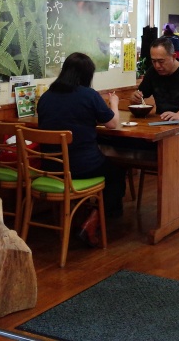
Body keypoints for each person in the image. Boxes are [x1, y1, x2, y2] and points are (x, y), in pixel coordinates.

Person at [36, 52, 126, 245]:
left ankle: (87, 215)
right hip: (82, 167)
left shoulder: (45, 97)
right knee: (117, 173)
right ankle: (92, 221)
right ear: (87, 75)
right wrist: (114, 103)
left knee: (108, 168)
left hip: (50, 168)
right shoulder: (89, 95)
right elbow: (112, 124)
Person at [131, 36, 179, 151]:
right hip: (160, 126)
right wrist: (135, 97)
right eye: (154, 61)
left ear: (174, 57)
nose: (157, 66)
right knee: (131, 142)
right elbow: (140, 94)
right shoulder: (152, 73)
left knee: (167, 145)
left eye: (161, 61)